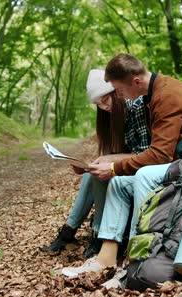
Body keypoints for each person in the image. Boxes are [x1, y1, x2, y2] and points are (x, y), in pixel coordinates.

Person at [61, 54, 182, 281]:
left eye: (119, 90)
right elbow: (159, 151)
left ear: (135, 81)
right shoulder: (153, 94)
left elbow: (159, 154)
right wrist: (114, 170)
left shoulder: (167, 95)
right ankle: (105, 259)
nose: (119, 96)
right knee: (118, 182)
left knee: (141, 176)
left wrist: (115, 167)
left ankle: (135, 261)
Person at [40, 69, 150, 257]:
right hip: (130, 167)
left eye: (105, 101)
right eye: (98, 104)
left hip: (146, 169)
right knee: (93, 173)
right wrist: (90, 165)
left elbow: (146, 153)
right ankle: (70, 231)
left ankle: (96, 234)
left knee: (98, 175)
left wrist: (109, 161)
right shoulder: (115, 114)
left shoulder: (137, 106)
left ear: (117, 92)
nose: (103, 108)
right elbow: (120, 154)